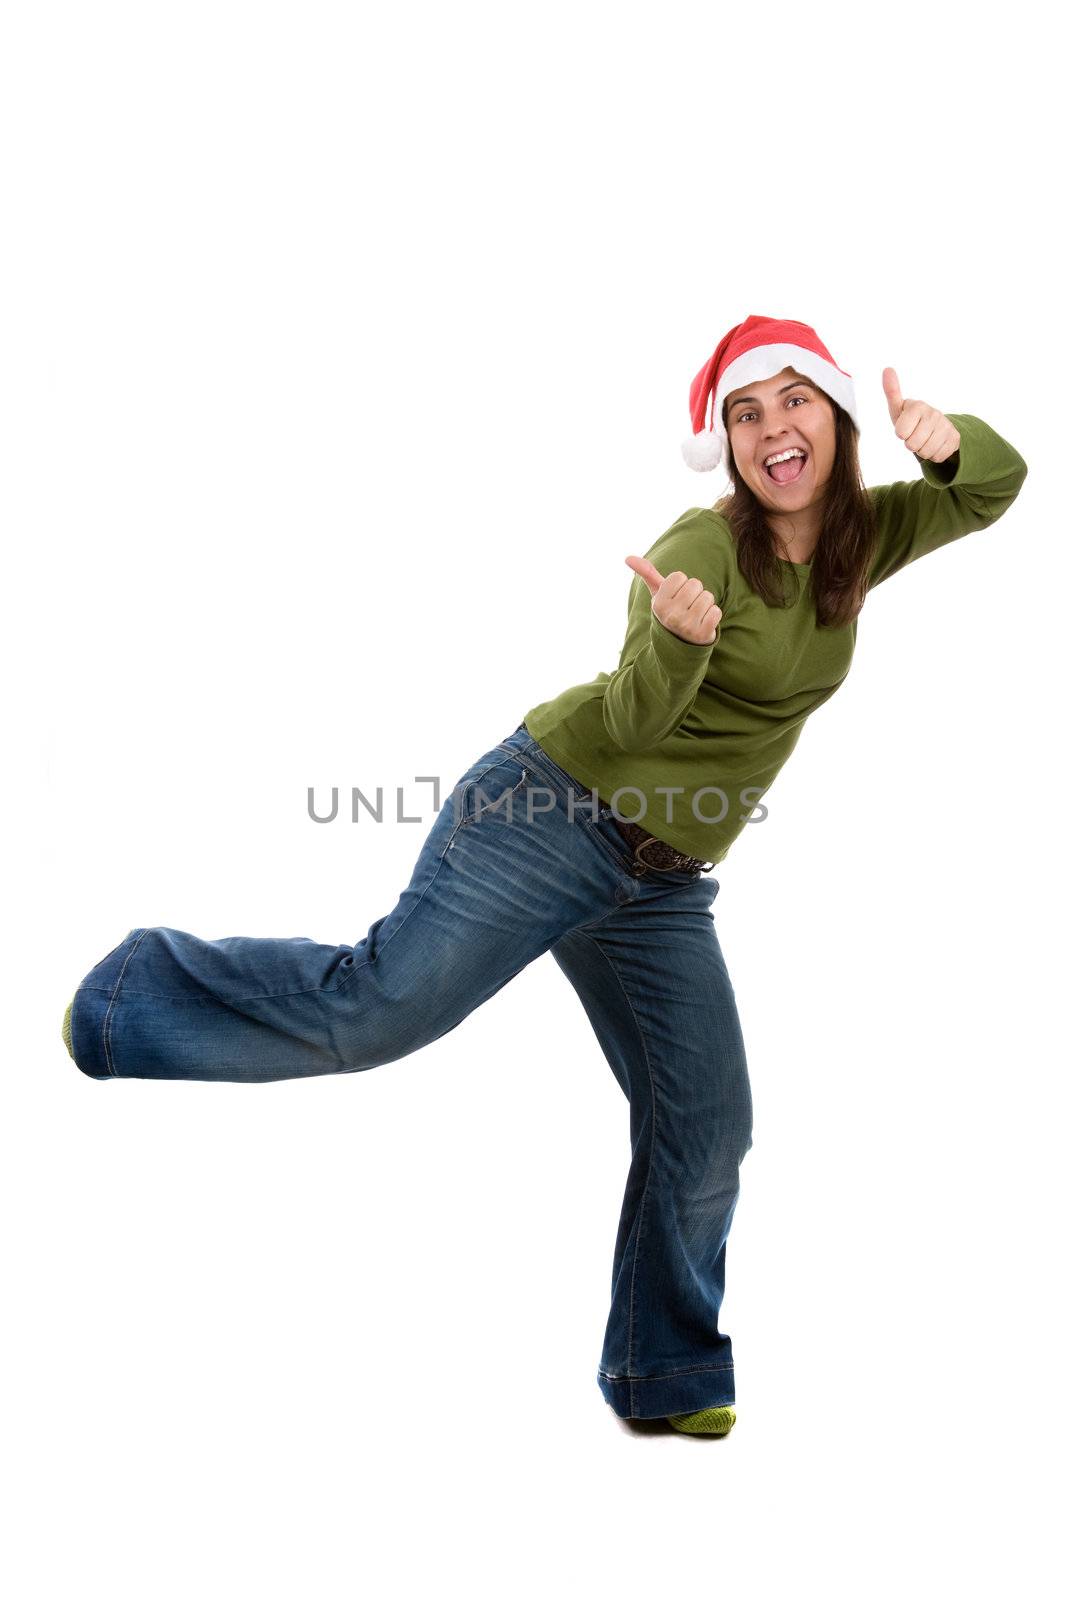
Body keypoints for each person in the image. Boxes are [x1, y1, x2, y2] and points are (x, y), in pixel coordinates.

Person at [61, 313, 1028, 1437]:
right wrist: (675, 637)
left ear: (833, 413)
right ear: (725, 442)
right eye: (745, 411)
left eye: (792, 399)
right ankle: (132, 997)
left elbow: (988, 490)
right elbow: (630, 716)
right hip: (551, 811)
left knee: (705, 1122)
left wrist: (946, 440)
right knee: (375, 1010)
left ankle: (664, 1373)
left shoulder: (866, 534)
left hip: (662, 886)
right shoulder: (702, 546)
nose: (774, 427)